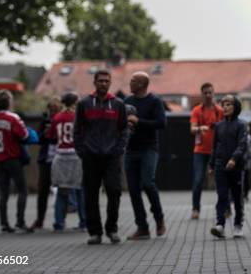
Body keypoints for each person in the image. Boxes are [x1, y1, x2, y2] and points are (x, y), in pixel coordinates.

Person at [74, 69, 129, 245]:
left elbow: (124, 130)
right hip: (90, 157)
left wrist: (118, 150)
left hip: (112, 157)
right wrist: (82, 151)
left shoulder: (119, 104)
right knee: (91, 194)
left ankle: (111, 229)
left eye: (106, 81)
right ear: (94, 82)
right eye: (100, 81)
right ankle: (95, 232)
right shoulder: (84, 104)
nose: (103, 84)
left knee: (114, 191)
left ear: (110, 82)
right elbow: (77, 130)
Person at [124, 72, 167, 240]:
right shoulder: (126, 101)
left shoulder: (154, 101)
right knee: (133, 190)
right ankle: (142, 227)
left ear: (142, 84)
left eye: (133, 81)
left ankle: (159, 218)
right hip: (130, 149)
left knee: (148, 183)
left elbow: (161, 123)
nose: (130, 82)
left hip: (149, 149)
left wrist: (138, 121)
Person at [0, 90, 33, 233]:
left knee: (3, 193)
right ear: (9, 102)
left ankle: (4, 223)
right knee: (22, 190)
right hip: (12, 158)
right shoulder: (13, 118)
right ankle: (20, 221)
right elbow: (24, 135)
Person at [208, 95, 247, 238]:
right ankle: (220, 225)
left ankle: (238, 225)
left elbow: (242, 145)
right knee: (222, 196)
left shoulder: (241, 125)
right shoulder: (219, 126)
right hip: (220, 166)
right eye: (223, 104)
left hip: (236, 167)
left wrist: (234, 159)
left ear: (235, 106)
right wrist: (211, 164)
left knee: (237, 197)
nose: (225, 107)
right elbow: (214, 147)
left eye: (229, 104)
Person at [50, 93, 86, 232]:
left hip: (60, 157)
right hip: (76, 155)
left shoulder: (57, 117)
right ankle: (84, 222)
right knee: (80, 190)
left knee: (61, 191)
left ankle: (59, 223)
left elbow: (51, 135)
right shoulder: (78, 117)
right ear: (74, 103)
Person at [189, 82, 223, 219]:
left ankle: (225, 207)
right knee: (198, 180)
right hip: (200, 151)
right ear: (202, 94)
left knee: (221, 180)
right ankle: (195, 209)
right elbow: (192, 129)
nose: (208, 95)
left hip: (216, 151)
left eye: (210, 92)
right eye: (205, 93)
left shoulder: (219, 110)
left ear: (214, 93)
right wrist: (199, 128)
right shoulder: (197, 110)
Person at [32, 96, 62, 229]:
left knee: (63, 191)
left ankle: (59, 220)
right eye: (51, 110)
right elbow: (38, 139)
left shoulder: (63, 121)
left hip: (61, 159)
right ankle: (40, 219)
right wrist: (46, 131)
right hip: (46, 160)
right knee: (42, 191)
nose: (53, 113)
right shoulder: (45, 122)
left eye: (55, 110)